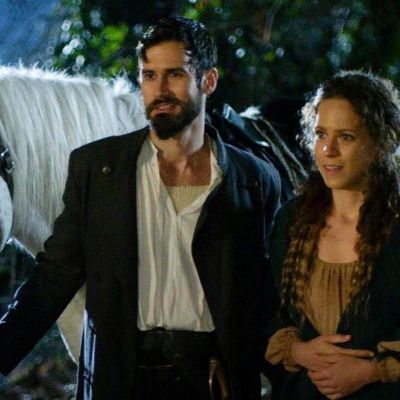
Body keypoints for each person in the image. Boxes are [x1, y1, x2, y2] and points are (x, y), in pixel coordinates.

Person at [0, 17, 281, 400]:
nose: (159, 90)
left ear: (208, 81)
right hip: (122, 382)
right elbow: (54, 277)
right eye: (149, 76)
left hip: (213, 382)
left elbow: (265, 292)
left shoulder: (254, 179)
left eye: (175, 74)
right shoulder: (98, 169)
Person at [265, 70, 400, 400]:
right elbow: (269, 312)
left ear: (382, 141)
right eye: (321, 134)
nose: (328, 150)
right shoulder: (293, 222)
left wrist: (374, 371)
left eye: (346, 137)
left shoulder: (395, 227)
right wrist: (297, 351)